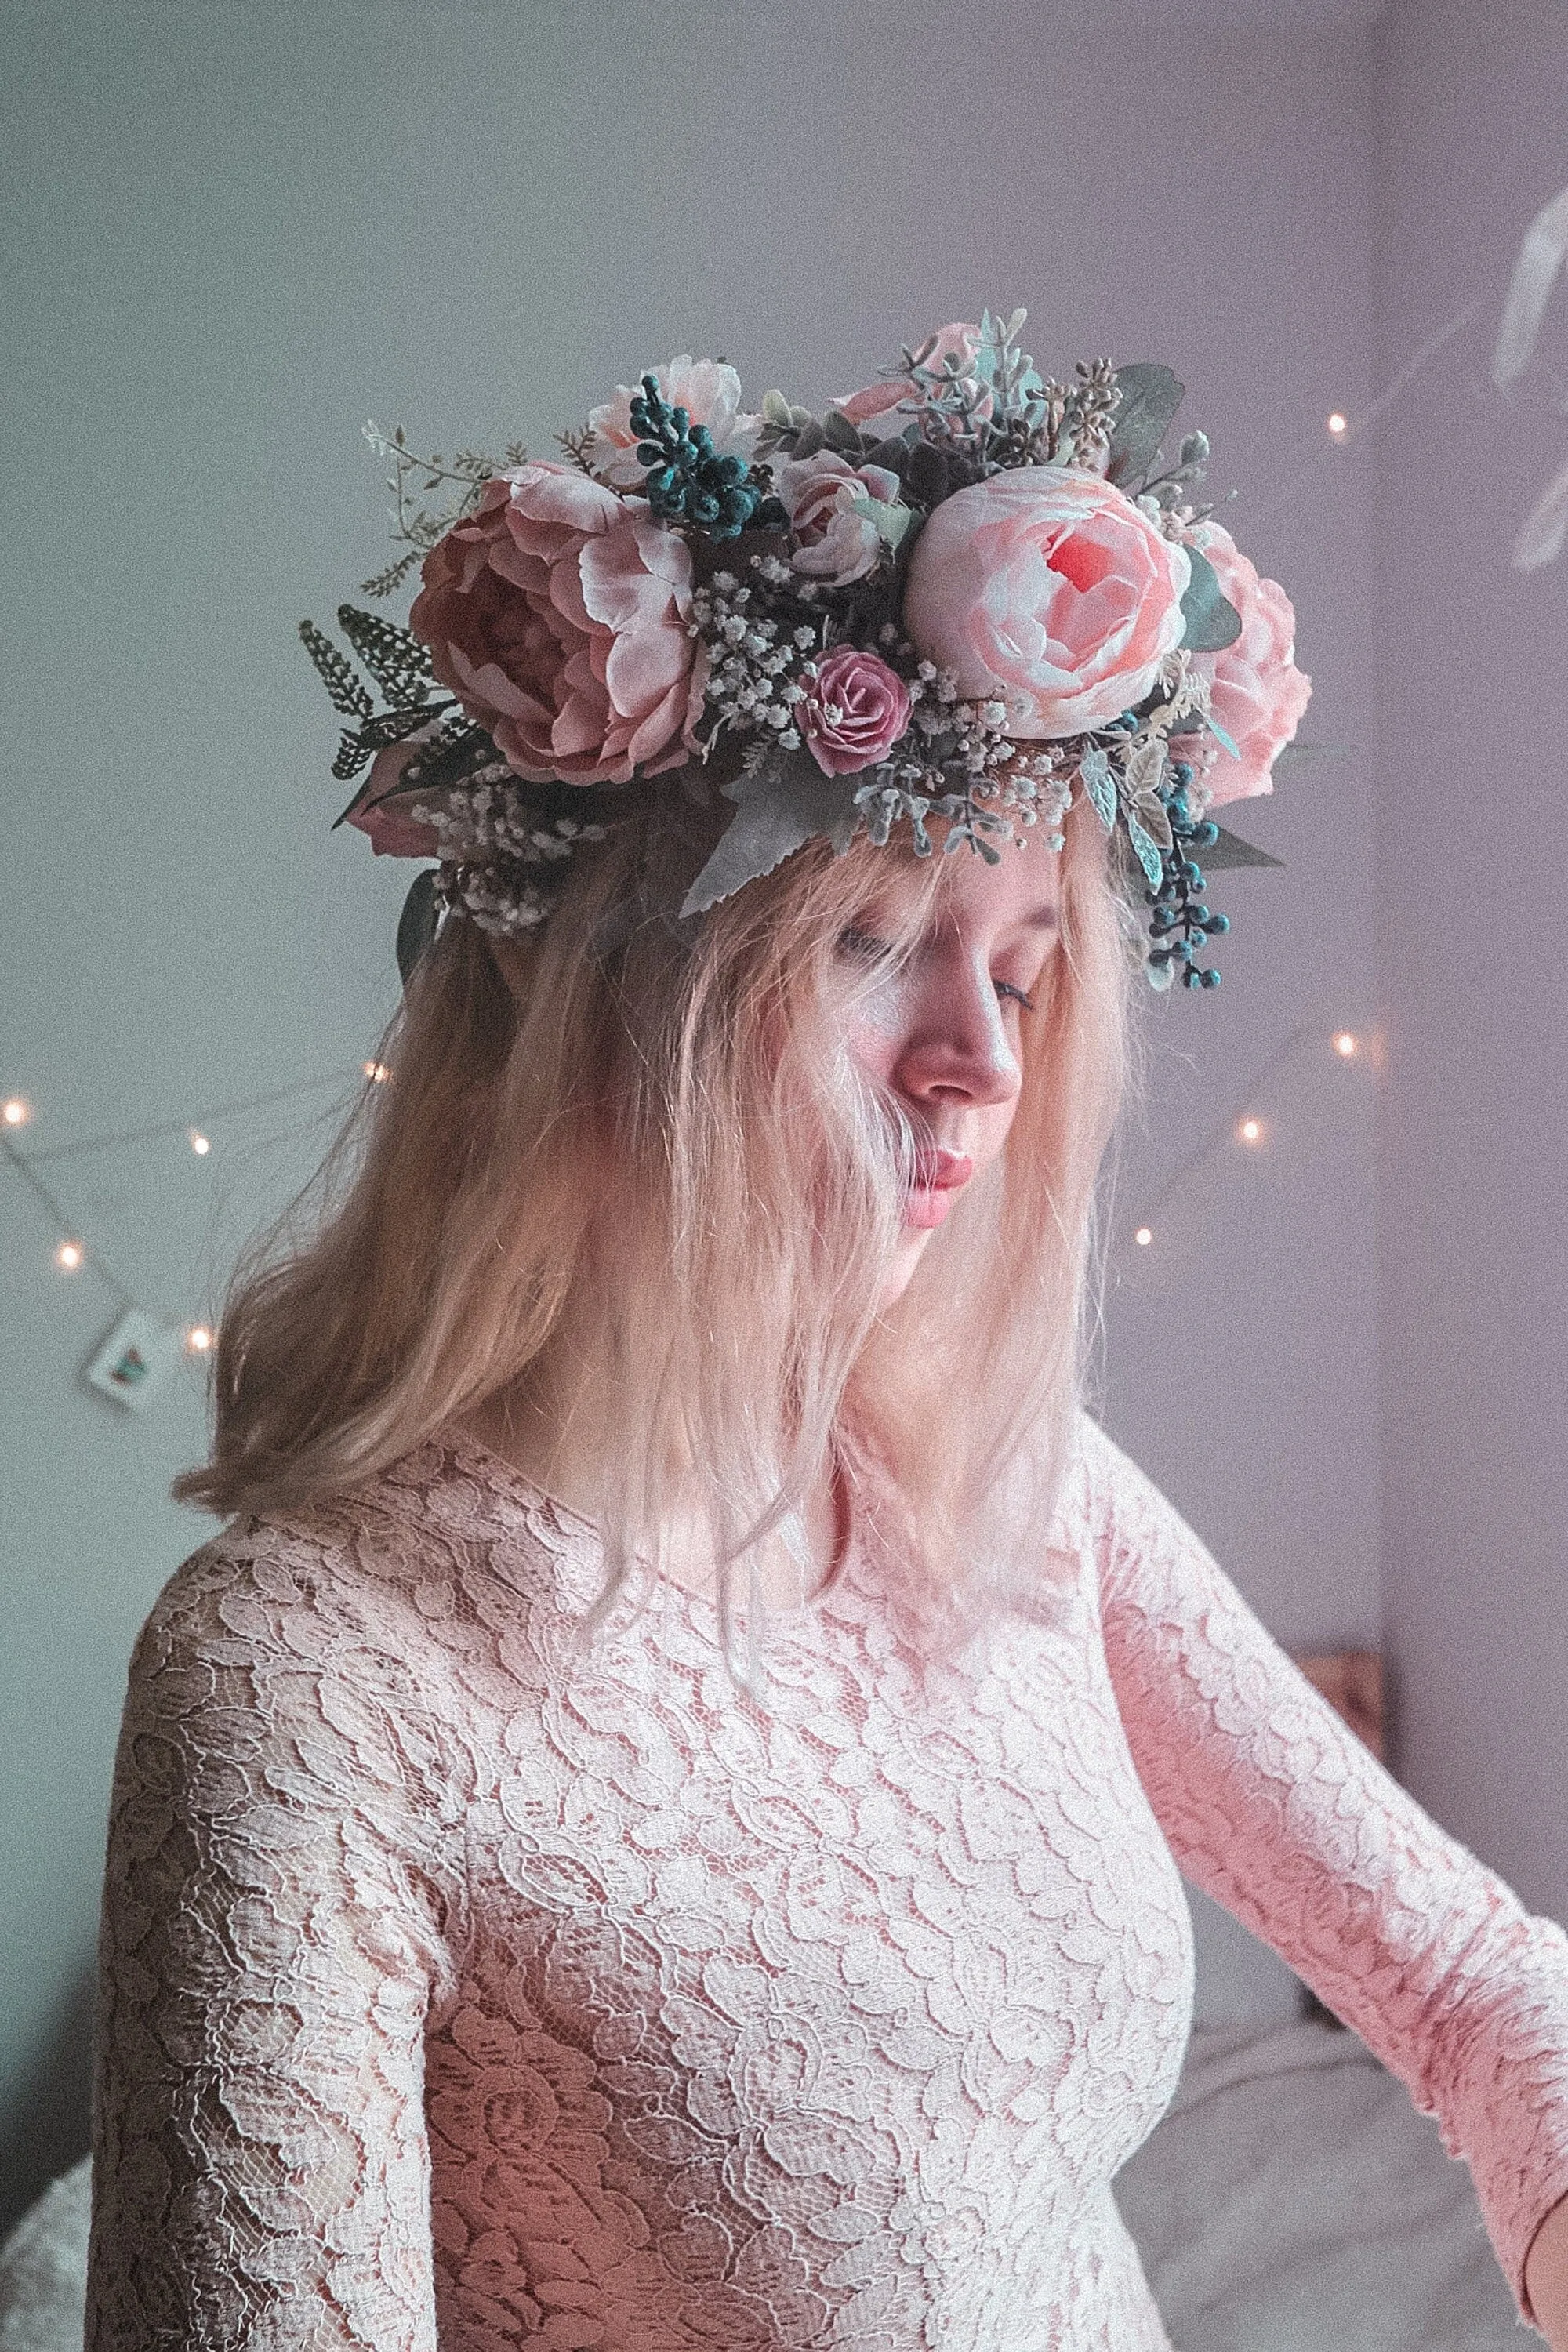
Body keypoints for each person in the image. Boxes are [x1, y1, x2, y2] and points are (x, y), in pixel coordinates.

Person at [85, 325, 1568, 2350]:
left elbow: (1481, 1991)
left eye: (1028, 974)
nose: (980, 1066)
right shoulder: (306, 1680)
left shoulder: (1019, 1503)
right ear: (619, 1000)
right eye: (873, 941)